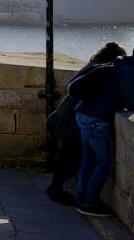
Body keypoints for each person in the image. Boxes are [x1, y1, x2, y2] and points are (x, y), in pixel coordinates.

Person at [46, 42, 126, 206]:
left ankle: (55, 187)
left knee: (68, 155)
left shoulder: (92, 66)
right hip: (72, 117)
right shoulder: (104, 70)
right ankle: (57, 190)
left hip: (66, 114)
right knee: (72, 156)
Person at [70, 42, 134, 216]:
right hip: (97, 120)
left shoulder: (118, 64)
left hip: (83, 113)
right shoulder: (129, 72)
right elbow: (130, 100)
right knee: (104, 163)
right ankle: (88, 203)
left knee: (89, 158)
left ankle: (82, 197)